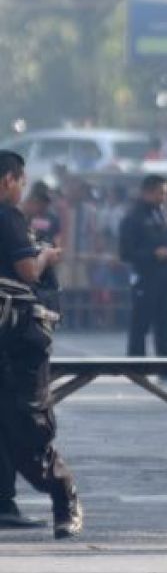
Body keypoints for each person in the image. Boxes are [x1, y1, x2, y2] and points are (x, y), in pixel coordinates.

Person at [0, 150, 82, 539]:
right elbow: (31, 268)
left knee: (27, 434)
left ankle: (63, 494)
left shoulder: (10, 219)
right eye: (20, 180)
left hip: (17, 339)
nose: (20, 187)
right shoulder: (8, 215)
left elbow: (26, 274)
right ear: (8, 181)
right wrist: (47, 255)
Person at [119, 175, 167, 356]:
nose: (164, 198)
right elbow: (126, 253)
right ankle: (136, 366)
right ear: (147, 192)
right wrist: (152, 254)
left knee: (165, 324)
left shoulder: (162, 214)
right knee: (140, 325)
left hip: (166, 278)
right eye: (160, 193)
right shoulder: (133, 218)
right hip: (145, 278)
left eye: (165, 194)